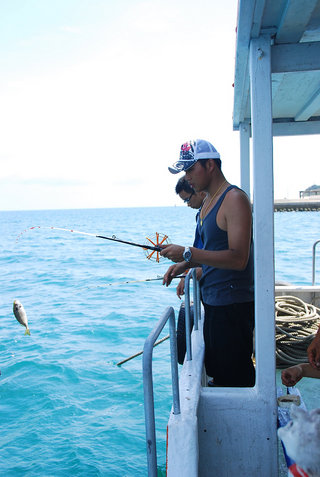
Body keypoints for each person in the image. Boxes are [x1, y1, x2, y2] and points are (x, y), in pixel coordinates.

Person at [161, 139, 255, 387]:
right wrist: (182, 265)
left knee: (236, 377)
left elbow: (238, 258)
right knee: (220, 372)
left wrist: (188, 254)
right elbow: (209, 250)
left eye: (191, 169)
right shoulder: (207, 205)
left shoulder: (234, 199)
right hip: (212, 302)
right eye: (185, 170)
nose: (187, 176)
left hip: (232, 306)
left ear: (210, 164)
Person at [175, 176, 205, 298]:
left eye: (187, 199)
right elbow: (200, 251)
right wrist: (185, 274)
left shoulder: (211, 216)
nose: (188, 204)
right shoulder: (200, 216)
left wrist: (203, 271)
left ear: (198, 191)